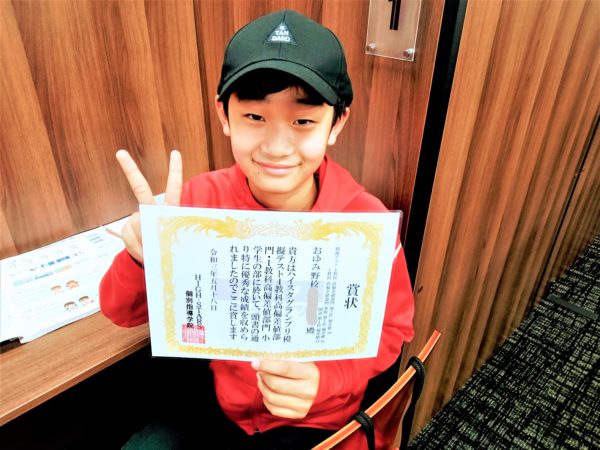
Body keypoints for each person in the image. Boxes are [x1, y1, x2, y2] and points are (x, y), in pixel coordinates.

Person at [100, 9, 414, 450]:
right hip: (221, 407)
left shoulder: (365, 225)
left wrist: (328, 379)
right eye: (254, 116)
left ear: (337, 123)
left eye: (303, 121)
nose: (277, 146)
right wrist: (139, 256)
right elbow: (120, 311)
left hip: (319, 421)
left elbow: (394, 328)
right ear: (224, 115)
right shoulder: (198, 202)